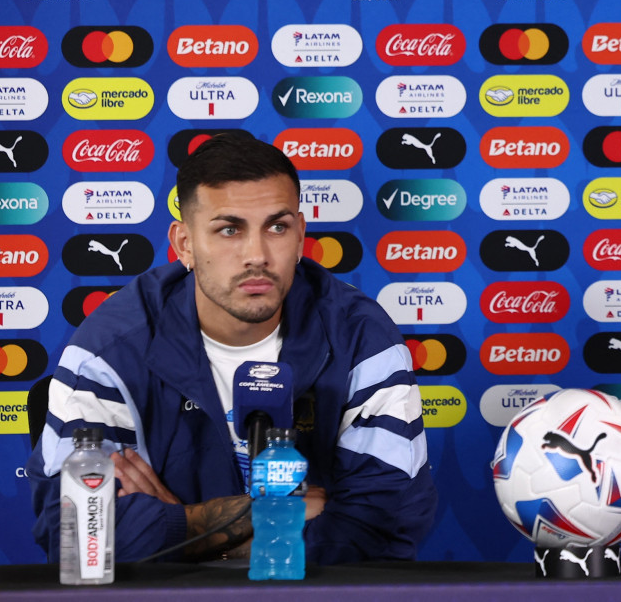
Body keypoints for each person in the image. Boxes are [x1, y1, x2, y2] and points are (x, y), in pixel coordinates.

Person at [29, 133, 437, 563]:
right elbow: (73, 533)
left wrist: (182, 530)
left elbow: (387, 524)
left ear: (300, 236)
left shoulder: (361, 337)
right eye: (229, 230)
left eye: (276, 227)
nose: (256, 255)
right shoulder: (110, 347)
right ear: (184, 243)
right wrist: (256, 525)